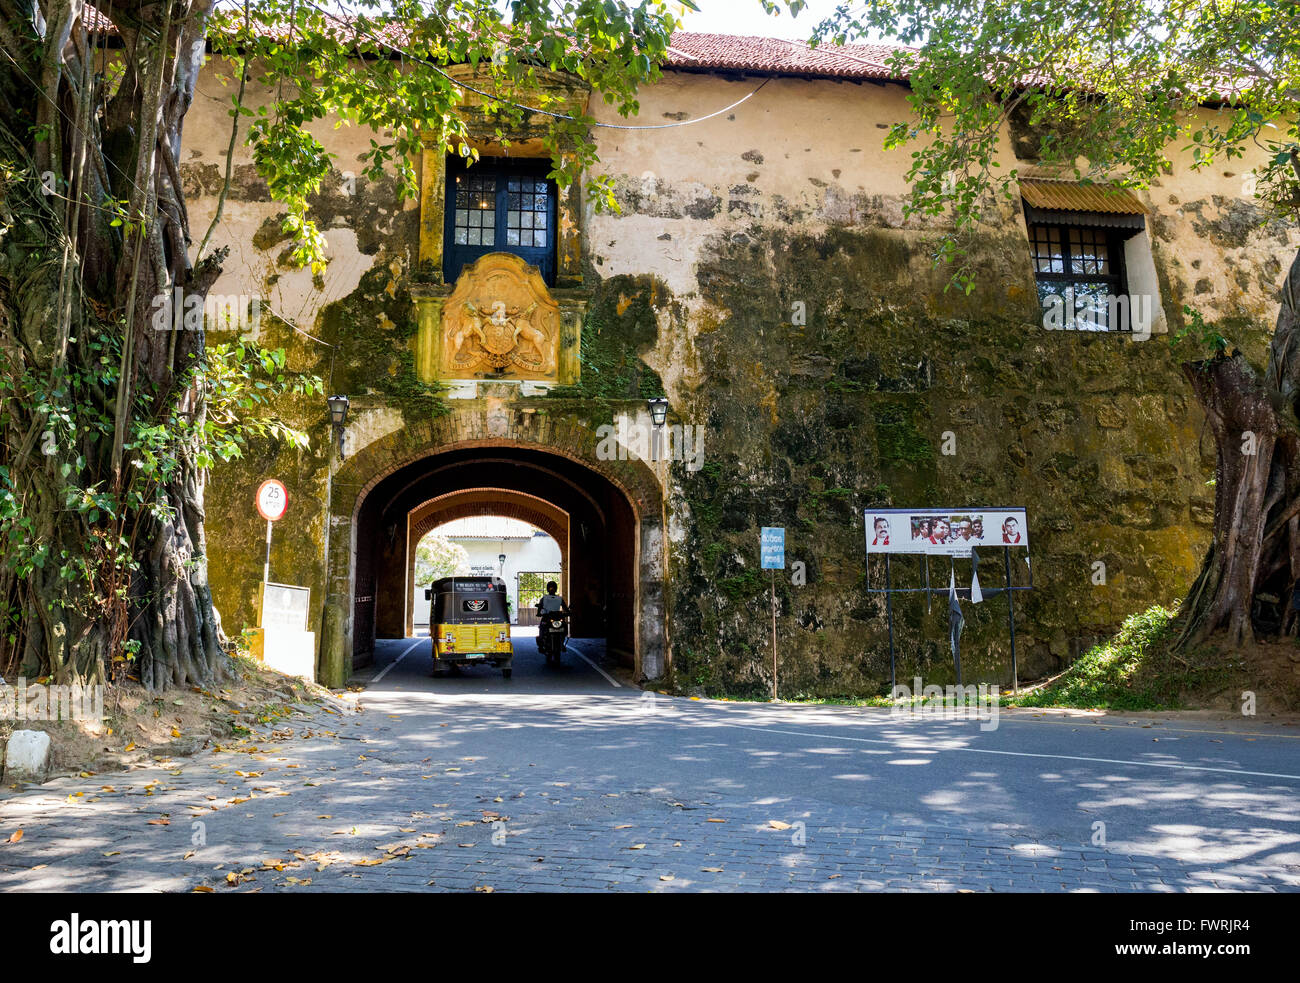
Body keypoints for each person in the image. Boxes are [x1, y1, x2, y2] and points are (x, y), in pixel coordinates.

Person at [536, 581, 569, 663]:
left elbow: (565, 608)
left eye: (553, 587)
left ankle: (561, 643)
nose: (552, 589)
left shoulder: (558, 599)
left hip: (557, 618)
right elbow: (539, 607)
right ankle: (541, 643)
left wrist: (568, 612)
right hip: (547, 618)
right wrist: (539, 612)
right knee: (542, 628)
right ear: (548, 589)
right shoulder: (545, 598)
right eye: (550, 587)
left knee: (564, 627)